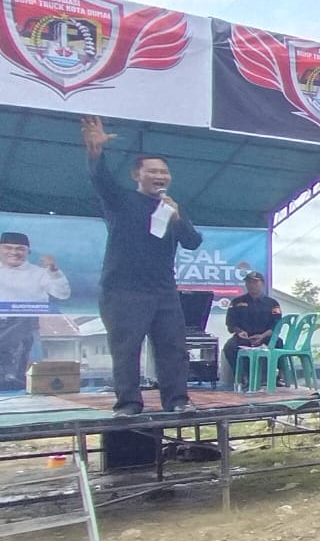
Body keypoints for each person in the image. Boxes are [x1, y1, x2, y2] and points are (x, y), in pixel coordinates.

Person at [81, 116, 203, 416]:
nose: (160, 176)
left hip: (163, 290)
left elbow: (192, 242)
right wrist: (96, 153)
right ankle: (129, 404)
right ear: (137, 175)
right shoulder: (121, 200)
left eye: (164, 172)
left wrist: (177, 217)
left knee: (173, 348)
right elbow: (101, 180)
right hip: (123, 289)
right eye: (153, 171)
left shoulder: (170, 208)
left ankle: (178, 400)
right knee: (126, 348)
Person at [0, 232, 70, 391]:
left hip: (25, 328)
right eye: (8, 248)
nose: (14, 252)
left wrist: (53, 270)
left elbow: (63, 294)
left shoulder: (40, 273)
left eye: (20, 249)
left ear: (28, 252)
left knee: (18, 379)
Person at [223, 271, 283, 383]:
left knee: (279, 343)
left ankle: (280, 376)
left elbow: (277, 324)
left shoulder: (272, 303)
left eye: (255, 282)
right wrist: (239, 331)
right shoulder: (237, 302)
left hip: (265, 336)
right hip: (244, 337)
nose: (252, 285)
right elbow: (230, 322)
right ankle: (241, 378)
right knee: (229, 347)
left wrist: (262, 336)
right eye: (249, 282)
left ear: (262, 283)